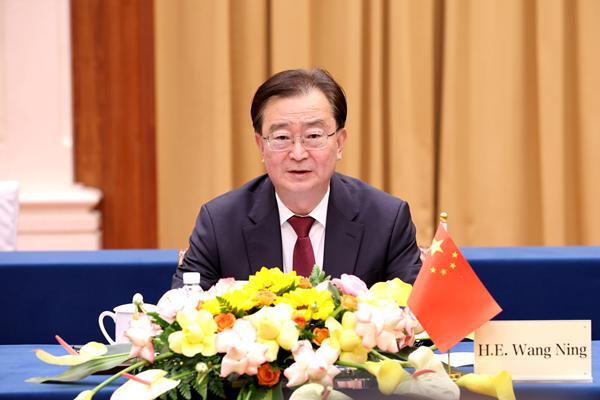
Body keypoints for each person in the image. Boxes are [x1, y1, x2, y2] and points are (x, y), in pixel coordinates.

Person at [172, 68, 421, 290]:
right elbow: (183, 313)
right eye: (282, 137)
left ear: (339, 143)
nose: (298, 154)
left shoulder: (386, 220)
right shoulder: (220, 223)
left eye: (313, 136)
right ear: (261, 145)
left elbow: (415, 316)